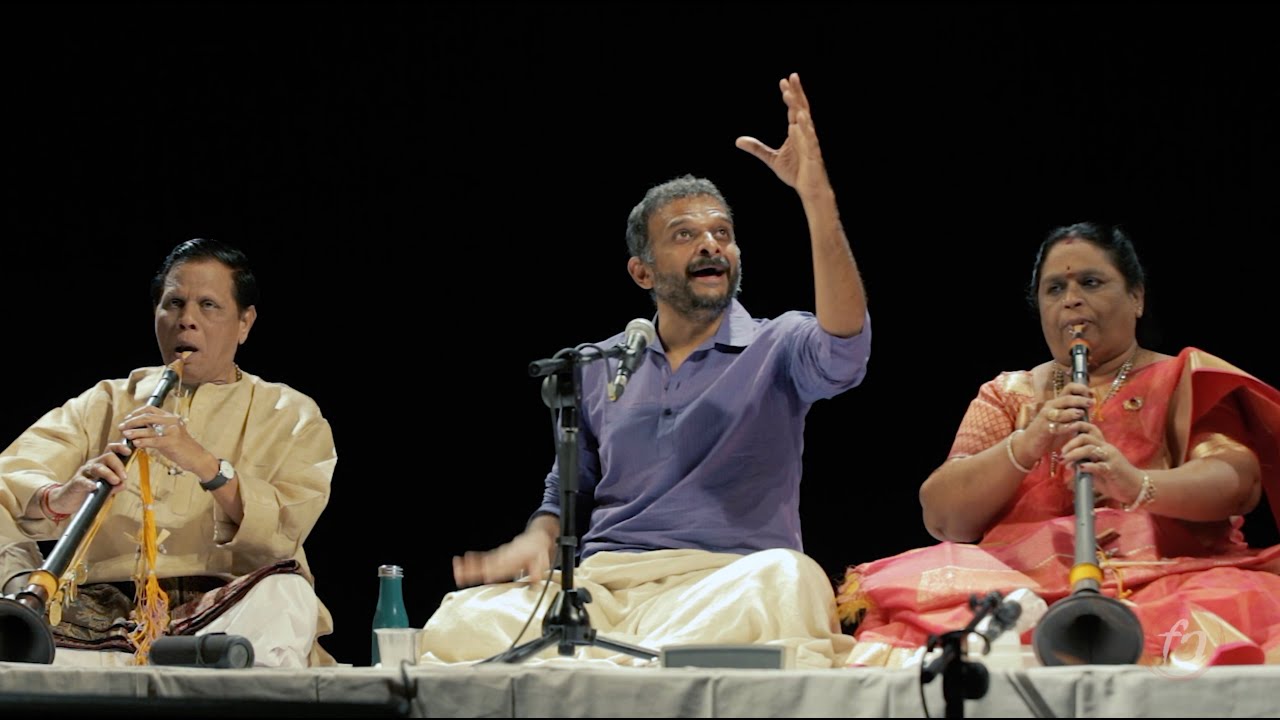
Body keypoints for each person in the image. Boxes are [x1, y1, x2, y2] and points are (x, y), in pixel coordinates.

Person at [419, 73, 871, 669]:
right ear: (642, 273)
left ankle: (606, 670)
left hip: (725, 580)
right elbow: (568, 490)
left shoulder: (779, 343)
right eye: (685, 236)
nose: (711, 245)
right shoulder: (600, 363)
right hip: (605, 587)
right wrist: (535, 541)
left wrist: (816, 199)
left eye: (723, 234)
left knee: (787, 582)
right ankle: (629, 665)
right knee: (460, 622)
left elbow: (846, 344)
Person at [836, 222, 1280, 671]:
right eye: (1054, 289)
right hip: (1020, 590)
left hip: (1171, 578)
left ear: (1137, 298)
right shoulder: (1009, 394)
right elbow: (943, 515)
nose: (1070, 299)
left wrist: (1135, 482)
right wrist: (1027, 445)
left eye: (1090, 282)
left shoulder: (1183, 377)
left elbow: (1237, 482)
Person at [0, 238, 337, 668]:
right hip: (96, 617)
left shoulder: (289, 412)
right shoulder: (103, 402)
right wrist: (56, 497)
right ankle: (149, 662)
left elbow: (286, 530)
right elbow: (9, 477)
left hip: (226, 609)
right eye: (174, 303)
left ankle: (189, 662)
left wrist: (203, 463)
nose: (187, 320)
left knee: (286, 594)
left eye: (208, 305)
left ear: (244, 323)